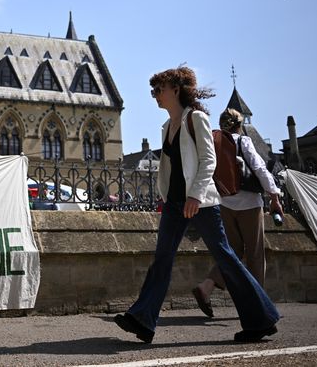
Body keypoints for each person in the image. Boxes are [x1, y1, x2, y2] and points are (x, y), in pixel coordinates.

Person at [113, 66, 280, 344]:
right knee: (162, 259)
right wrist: (165, 196)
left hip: (200, 202)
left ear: (176, 90)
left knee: (226, 257)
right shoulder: (167, 126)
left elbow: (208, 160)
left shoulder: (196, 118)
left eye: (159, 89)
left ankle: (261, 319)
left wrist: (196, 196)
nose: (155, 95)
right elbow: (170, 168)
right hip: (175, 204)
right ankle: (142, 319)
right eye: (153, 90)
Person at [191, 109, 284, 318]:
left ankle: (206, 286)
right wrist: (275, 197)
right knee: (255, 254)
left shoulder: (214, 143)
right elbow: (260, 169)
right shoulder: (243, 141)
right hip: (249, 203)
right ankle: (257, 304)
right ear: (239, 124)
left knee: (230, 253)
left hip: (224, 203)